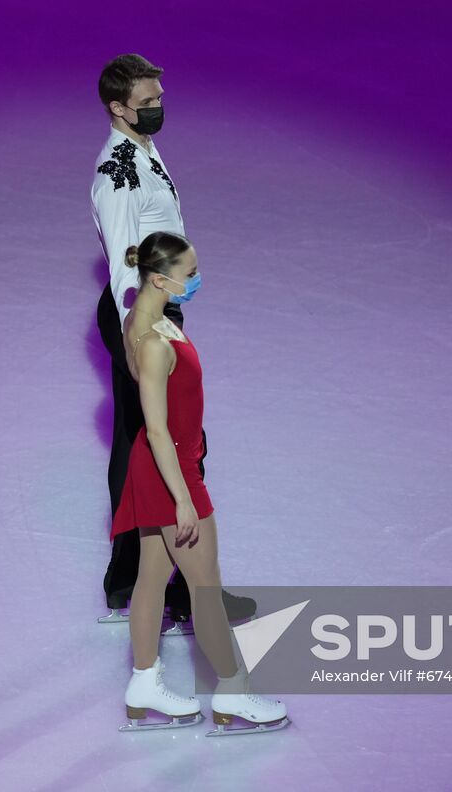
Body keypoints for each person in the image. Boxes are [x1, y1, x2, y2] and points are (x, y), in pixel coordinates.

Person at [90, 53, 255, 632]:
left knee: (147, 445)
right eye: (148, 102)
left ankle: (139, 584)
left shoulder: (142, 150)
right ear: (118, 107)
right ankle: (181, 593)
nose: (159, 108)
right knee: (172, 447)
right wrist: (141, 334)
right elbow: (118, 260)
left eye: (161, 97)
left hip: (157, 308)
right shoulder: (117, 172)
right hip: (141, 314)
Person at [112, 232, 289, 736]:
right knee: (205, 589)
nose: (196, 281)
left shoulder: (146, 318)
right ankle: (233, 694)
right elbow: (158, 428)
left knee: (151, 577)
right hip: (173, 473)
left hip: (162, 469)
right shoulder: (151, 346)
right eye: (189, 274)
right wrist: (183, 500)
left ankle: (144, 683)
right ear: (158, 276)